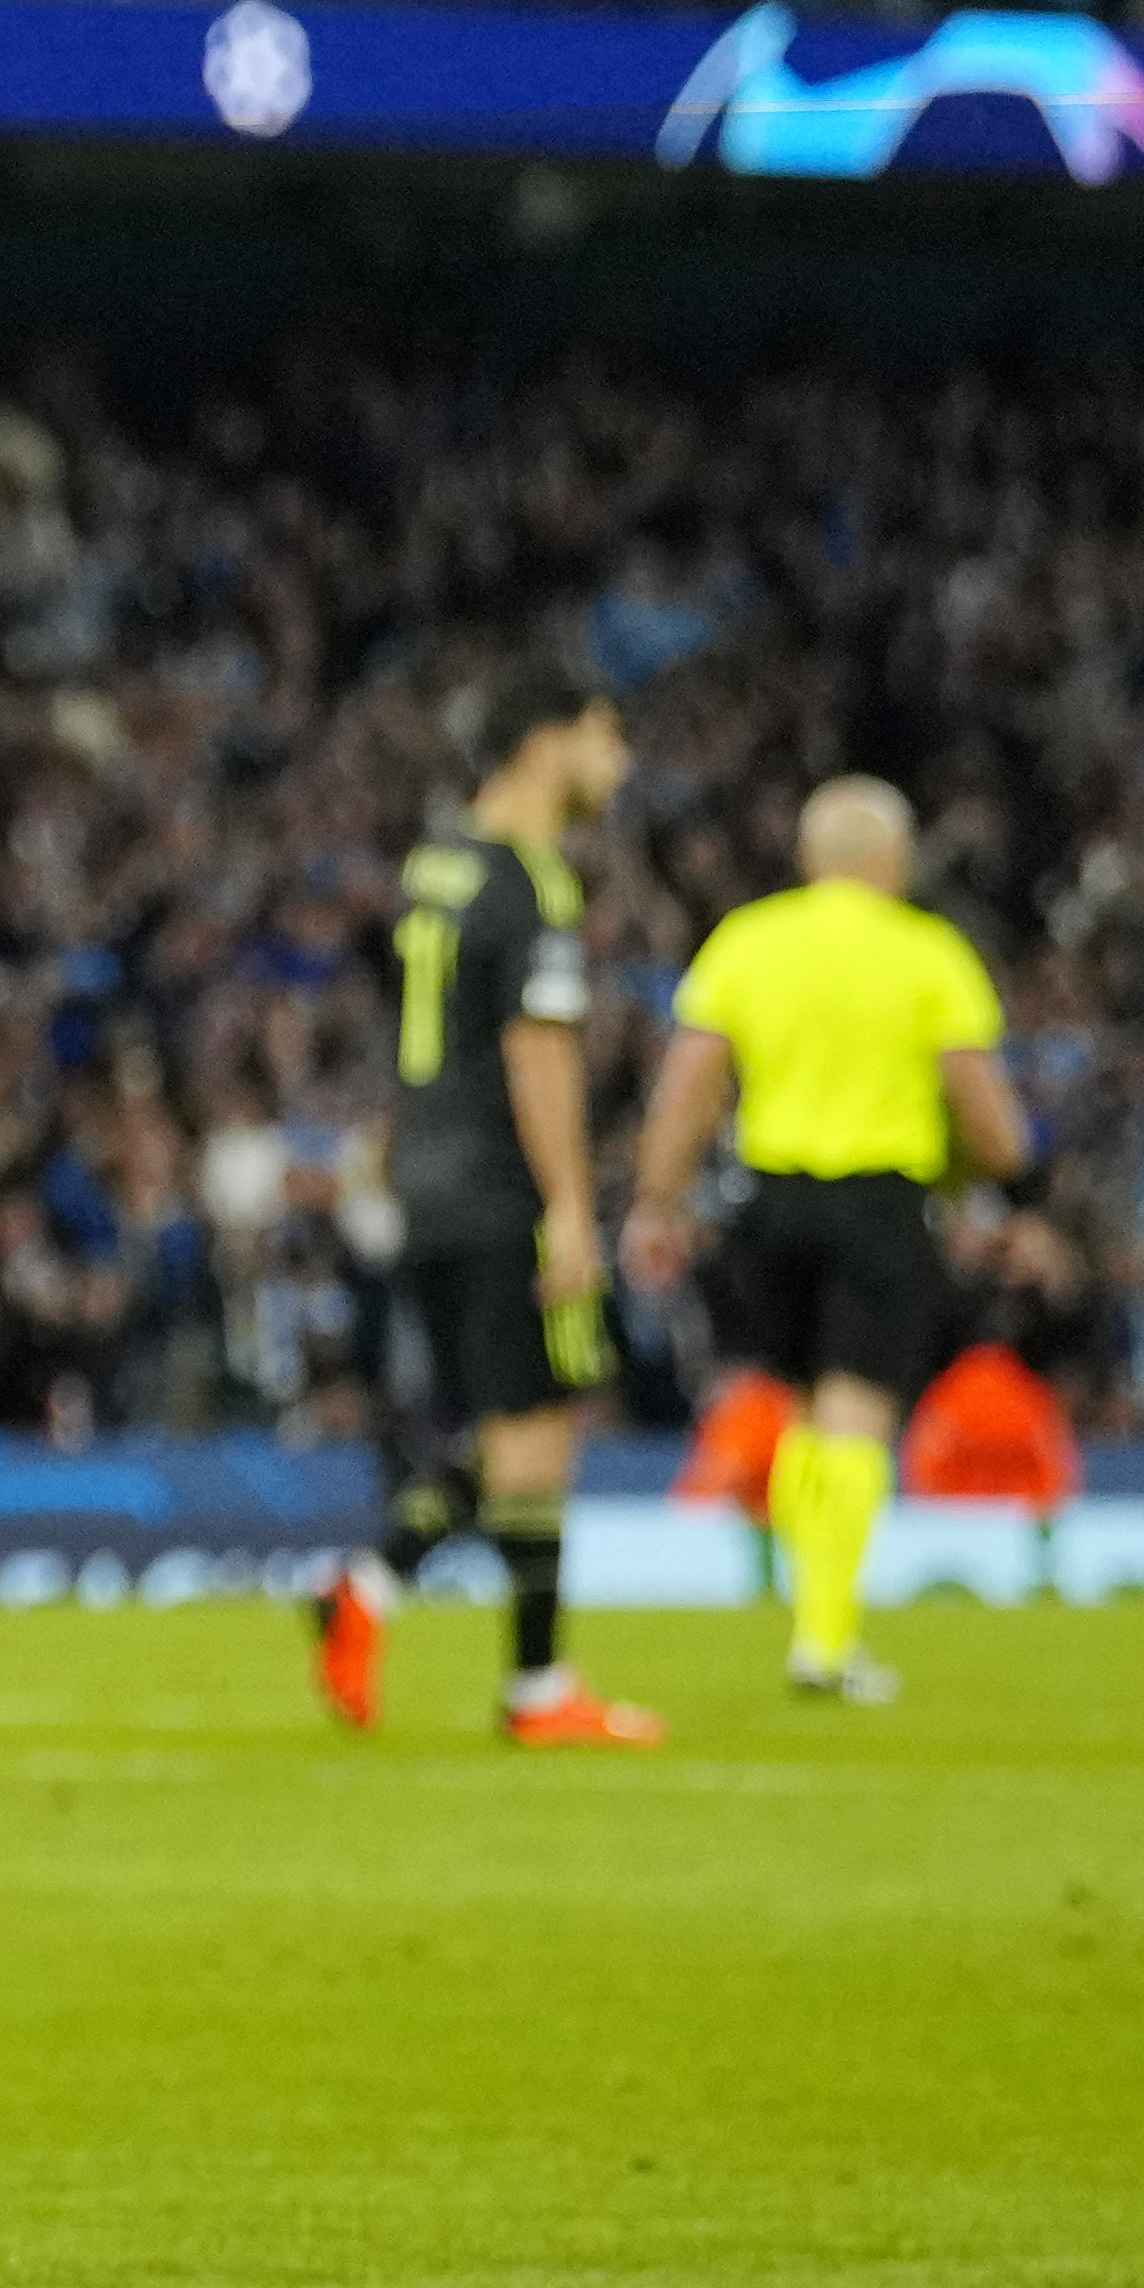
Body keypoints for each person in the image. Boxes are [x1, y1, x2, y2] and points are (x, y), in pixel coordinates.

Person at [320, 668, 662, 1749]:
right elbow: (537, 1051)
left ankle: (371, 1587)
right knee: (537, 1431)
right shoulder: (530, 882)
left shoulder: (435, 864)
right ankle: (535, 1685)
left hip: (426, 1175)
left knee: (514, 1428)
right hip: (500, 1180)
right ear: (543, 743)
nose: (620, 762)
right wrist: (568, 1203)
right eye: (606, 736)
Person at [633, 778, 1020, 1707]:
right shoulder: (927, 954)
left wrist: (656, 1201)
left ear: (808, 859)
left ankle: (812, 1607)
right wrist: (973, 1173)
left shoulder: (748, 941)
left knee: (805, 1408)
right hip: (879, 1203)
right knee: (854, 1416)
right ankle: (824, 1637)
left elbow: (689, 1080)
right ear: (894, 860)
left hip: (771, 1203)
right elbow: (987, 1118)